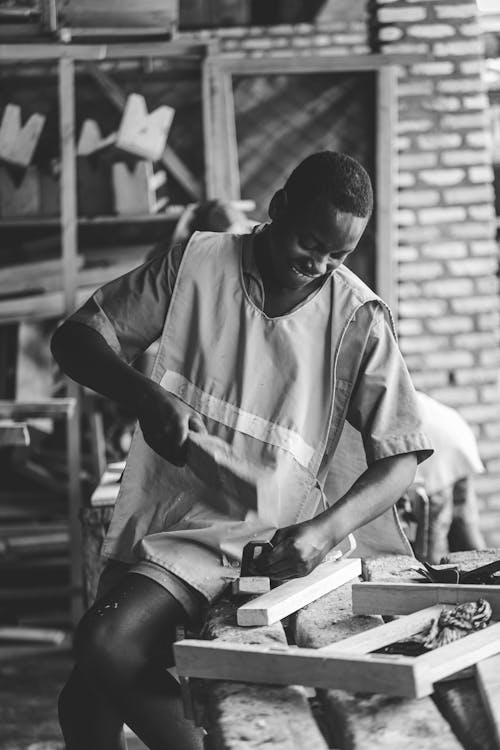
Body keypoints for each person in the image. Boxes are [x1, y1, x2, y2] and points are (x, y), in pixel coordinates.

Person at [51, 151, 432, 750]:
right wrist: (144, 395)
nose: (320, 265)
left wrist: (324, 532)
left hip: (262, 539)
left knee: (107, 645)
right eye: (310, 243)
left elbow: (401, 458)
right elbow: (75, 337)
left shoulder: (358, 317)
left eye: (339, 255)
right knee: (82, 704)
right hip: (170, 514)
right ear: (277, 208)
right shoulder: (197, 265)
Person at [398, 391, 486, 563]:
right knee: (464, 524)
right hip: (457, 439)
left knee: (432, 543)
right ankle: (488, 580)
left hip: (437, 452)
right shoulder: (396, 386)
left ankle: (441, 587)